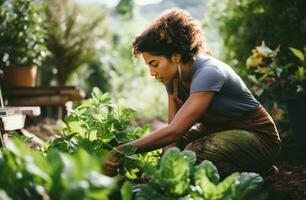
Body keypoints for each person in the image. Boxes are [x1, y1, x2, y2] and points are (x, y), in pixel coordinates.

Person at [103, 8, 281, 178]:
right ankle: (251, 169)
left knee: (193, 153)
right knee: (176, 151)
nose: (152, 73)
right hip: (223, 134)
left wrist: (121, 150)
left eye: (155, 64)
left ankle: (256, 169)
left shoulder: (209, 72)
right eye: (149, 65)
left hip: (260, 139)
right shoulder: (173, 80)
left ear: (176, 56)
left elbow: (174, 130)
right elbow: (172, 138)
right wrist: (164, 171)